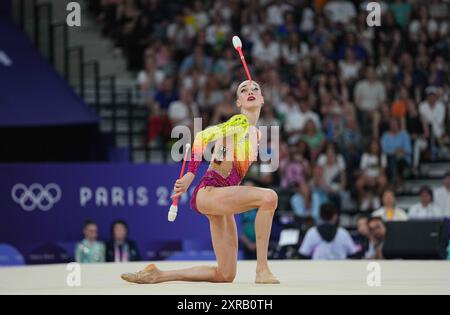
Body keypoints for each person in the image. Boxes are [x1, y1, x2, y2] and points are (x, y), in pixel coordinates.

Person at [122, 80, 279, 284]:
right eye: (244, 90)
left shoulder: (256, 134)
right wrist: (190, 174)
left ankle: (158, 274)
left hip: (220, 199)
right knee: (269, 197)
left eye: (255, 88)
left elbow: (224, 156)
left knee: (225, 275)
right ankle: (262, 269)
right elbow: (202, 137)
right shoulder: (239, 122)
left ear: (262, 99)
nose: (250, 91)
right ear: (238, 102)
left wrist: (221, 152)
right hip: (210, 191)